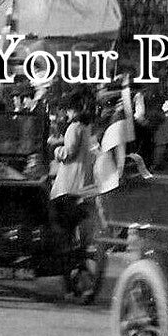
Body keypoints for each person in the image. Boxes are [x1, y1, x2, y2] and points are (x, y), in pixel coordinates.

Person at [49, 96, 97, 242]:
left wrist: (56, 149)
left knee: (64, 211)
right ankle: (81, 241)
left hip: (71, 176)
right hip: (83, 173)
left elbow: (69, 152)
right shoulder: (86, 126)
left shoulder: (74, 127)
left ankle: (68, 241)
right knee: (79, 212)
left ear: (71, 110)